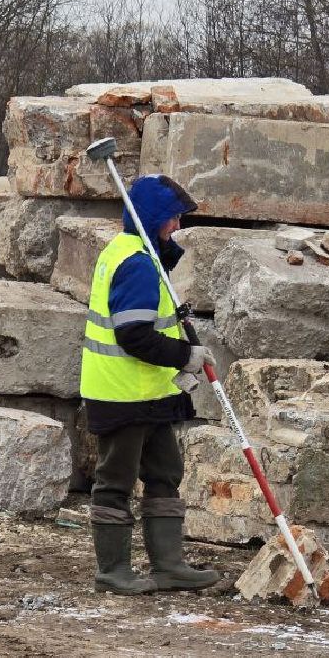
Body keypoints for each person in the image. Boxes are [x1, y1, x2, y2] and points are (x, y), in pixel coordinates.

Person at [80, 173, 220, 595]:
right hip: (123, 393)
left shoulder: (143, 255)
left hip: (153, 392)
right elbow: (134, 334)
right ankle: (113, 570)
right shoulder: (136, 263)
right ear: (151, 217)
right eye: (172, 218)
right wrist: (184, 356)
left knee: (165, 473)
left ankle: (169, 565)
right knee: (116, 480)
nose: (177, 227)